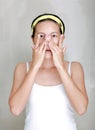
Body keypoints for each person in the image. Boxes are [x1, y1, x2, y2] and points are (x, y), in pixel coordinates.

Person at [9, 13, 88, 130]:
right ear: (33, 39)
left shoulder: (75, 68)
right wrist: (35, 66)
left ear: (62, 39)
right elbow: (15, 109)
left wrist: (60, 66)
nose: (47, 42)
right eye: (41, 36)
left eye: (53, 36)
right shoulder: (22, 68)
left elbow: (81, 109)